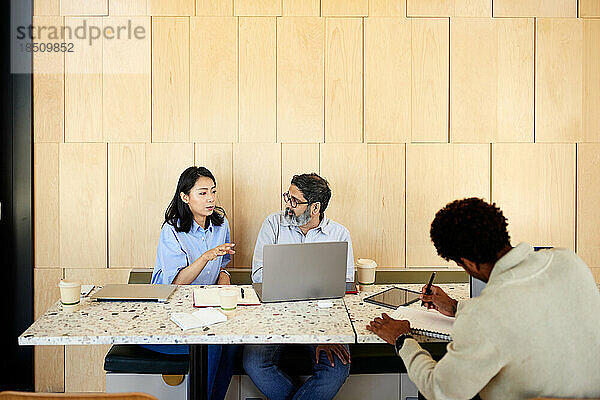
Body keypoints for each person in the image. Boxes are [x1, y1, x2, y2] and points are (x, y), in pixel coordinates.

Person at [367, 197, 600, 400]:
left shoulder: (482, 316)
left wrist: (402, 339)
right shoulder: (569, 262)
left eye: (460, 264)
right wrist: (455, 307)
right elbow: (525, 310)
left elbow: (440, 391)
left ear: (468, 262)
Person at [243, 173, 354, 400]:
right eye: (287, 197)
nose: (288, 205)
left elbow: (342, 286)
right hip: (276, 317)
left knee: (337, 367)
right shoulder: (272, 224)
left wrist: (325, 334)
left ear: (315, 207)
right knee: (253, 362)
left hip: (321, 319)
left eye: (295, 201)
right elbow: (259, 276)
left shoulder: (339, 234)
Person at [146, 166, 238, 400]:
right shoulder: (172, 230)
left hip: (203, 312)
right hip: (165, 315)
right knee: (212, 345)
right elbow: (176, 283)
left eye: (213, 192)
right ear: (185, 197)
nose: (210, 199)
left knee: (234, 343)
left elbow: (223, 264)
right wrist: (206, 256)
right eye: (202, 193)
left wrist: (224, 277)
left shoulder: (221, 224)